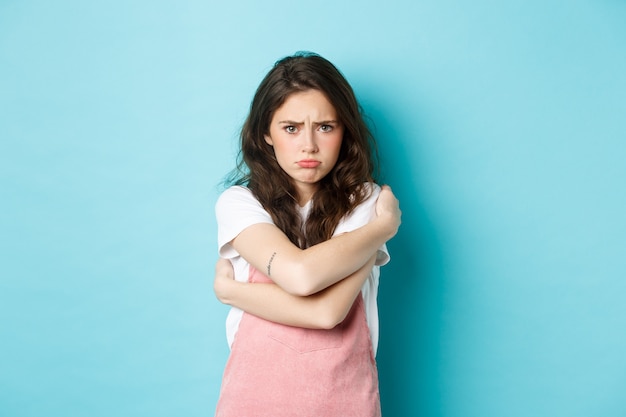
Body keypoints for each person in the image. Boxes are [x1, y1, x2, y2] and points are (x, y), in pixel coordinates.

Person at [213, 51, 401, 417]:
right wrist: (382, 229)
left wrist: (233, 292)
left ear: (345, 132)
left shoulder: (365, 202)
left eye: (325, 127)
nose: (309, 145)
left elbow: (328, 313)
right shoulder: (239, 203)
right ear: (265, 133)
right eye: (291, 127)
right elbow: (301, 276)